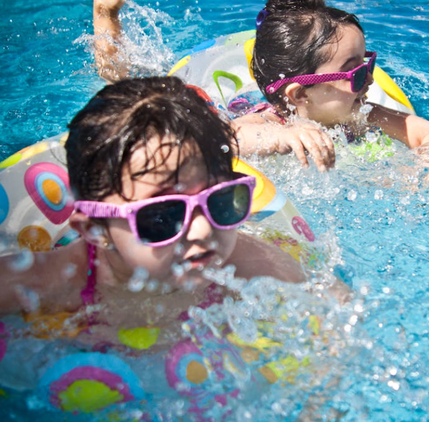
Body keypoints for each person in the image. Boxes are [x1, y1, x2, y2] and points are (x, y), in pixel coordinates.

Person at [0, 76, 306, 348]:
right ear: (96, 229)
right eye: (163, 216)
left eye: (220, 201)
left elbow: (333, 316)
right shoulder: (44, 286)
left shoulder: (252, 267)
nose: (202, 231)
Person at [92, 0, 429, 172]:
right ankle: (106, 16)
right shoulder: (270, 123)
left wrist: (422, 169)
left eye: (368, 64)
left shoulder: (361, 114)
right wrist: (280, 138)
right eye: (355, 73)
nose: (369, 81)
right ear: (299, 94)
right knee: (130, 90)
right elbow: (224, 140)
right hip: (233, 105)